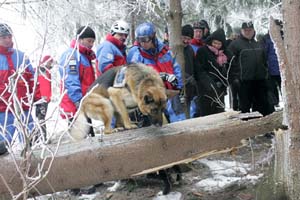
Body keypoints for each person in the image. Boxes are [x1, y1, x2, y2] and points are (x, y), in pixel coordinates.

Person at [128, 22, 185, 123]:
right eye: (140, 40)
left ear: (153, 37)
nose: (143, 44)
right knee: (157, 124)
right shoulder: (137, 56)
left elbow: (176, 67)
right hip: (153, 96)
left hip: (170, 92)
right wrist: (161, 77)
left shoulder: (165, 51)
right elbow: (136, 80)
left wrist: (179, 85)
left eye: (145, 40)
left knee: (179, 120)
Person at [0, 23, 39, 155]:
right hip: (3, 110)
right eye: (3, 37)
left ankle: (31, 169)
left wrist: (37, 98)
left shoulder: (22, 57)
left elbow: (32, 79)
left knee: (30, 143)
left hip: (23, 107)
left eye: (9, 36)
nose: (7, 40)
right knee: (3, 145)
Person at [228, 21, 275, 116]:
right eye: (245, 30)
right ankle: (245, 128)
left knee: (261, 107)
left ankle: (262, 128)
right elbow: (230, 63)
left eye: (250, 30)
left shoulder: (258, 44)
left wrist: (266, 76)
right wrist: (235, 78)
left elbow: (264, 61)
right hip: (244, 82)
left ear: (254, 31)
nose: (248, 32)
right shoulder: (235, 45)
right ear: (241, 31)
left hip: (259, 80)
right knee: (244, 108)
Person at [194, 28, 230, 116]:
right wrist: (210, 84)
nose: (216, 46)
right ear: (211, 41)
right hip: (206, 90)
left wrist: (224, 83)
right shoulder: (203, 51)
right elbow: (199, 70)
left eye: (219, 44)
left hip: (220, 89)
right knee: (206, 115)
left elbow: (227, 70)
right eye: (215, 43)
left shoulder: (224, 54)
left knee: (220, 114)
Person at [181, 24, 199, 118]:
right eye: (184, 37)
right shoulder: (174, 49)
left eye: (188, 39)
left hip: (190, 88)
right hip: (178, 88)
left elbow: (194, 66)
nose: (186, 41)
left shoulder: (190, 49)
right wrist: (186, 76)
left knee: (188, 112)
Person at [36, 55, 54, 140]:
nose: (51, 64)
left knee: (40, 118)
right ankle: (42, 138)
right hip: (41, 99)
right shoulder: (41, 70)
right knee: (41, 118)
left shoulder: (46, 71)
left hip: (44, 99)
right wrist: (43, 98)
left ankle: (41, 137)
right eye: (50, 62)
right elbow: (43, 85)